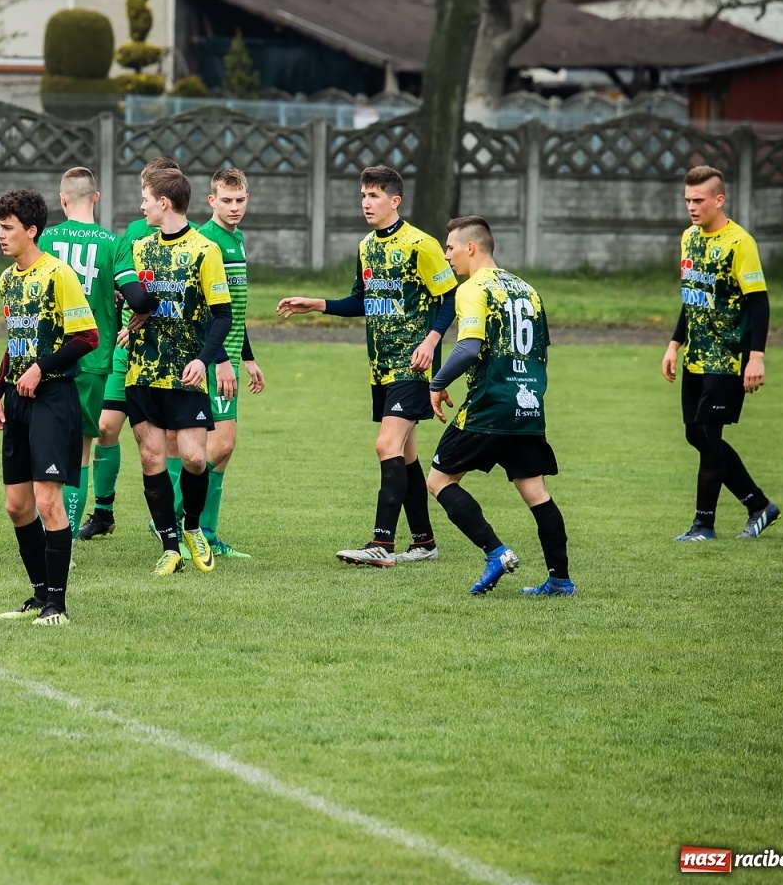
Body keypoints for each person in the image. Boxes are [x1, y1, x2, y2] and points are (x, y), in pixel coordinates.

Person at [276, 165, 456, 567]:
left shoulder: (420, 245)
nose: (366, 203)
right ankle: (424, 542)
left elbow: (449, 298)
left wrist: (431, 341)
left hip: (413, 365)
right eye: (362, 195)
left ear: (395, 201)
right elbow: (361, 300)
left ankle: (382, 544)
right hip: (381, 367)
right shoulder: (366, 247)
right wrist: (317, 304)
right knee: (405, 455)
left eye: (374, 196)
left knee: (385, 445)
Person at [426, 215, 572, 596]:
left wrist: (437, 383)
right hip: (528, 406)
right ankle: (560, 580)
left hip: (488, 405)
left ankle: (496, 552)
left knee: (439, 480)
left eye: (451, 248)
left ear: (471, 247)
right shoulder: (528, 290)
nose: (446, 256)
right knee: (536, 493)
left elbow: (468, 346)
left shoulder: (473, 288)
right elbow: (541, 350)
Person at [0, 190, 100, 625]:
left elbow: (86, 337)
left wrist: (40, 368)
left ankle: (58, 604)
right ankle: (38, 596)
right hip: (19, 399)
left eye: (7, 227)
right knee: (17, 506)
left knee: (48, 501)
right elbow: (15, 345)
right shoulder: (8, 279)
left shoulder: (59, 275)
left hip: (54, 398)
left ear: (31, 231)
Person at [116, 165, 235, 575]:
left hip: (186, 374)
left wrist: (203, 359)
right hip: (143, 372)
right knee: (151, 458)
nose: (141, 206)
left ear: (163, 202)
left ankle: (191, 528)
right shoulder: (140, 248)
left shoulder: (205, 250)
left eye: (146, 199)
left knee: (195, 459)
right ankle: (169, 546)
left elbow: (222, 316)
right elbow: (134, 300)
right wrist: (127, 323)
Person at [662, 165, 779, 541]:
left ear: (718, 199)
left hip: (728, 359)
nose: (692, 207)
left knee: (709, 437)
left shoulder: (739, 243)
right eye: (687, 200)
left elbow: (758, 304)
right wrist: (674, 343)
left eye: (698, 200)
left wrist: (756, 356)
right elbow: (693, 297)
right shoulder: (688, 238)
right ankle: (758, 504)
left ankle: (703, 525)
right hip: (696, 356)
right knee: (695, 436)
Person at [80, 156, 174, 542]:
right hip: (123, 345)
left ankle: (171, 517)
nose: (142, 202)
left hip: (163, 351)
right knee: (104, 427)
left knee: (168, 440)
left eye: (146, 193)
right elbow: (121, 284)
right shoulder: (131, 234)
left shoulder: (189, 236)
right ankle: (103, 512)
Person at [38, 167, 120, 535]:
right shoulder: (112, 243)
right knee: (81, 449)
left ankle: (50, 531)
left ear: (62, 199)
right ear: (96, 198)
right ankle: (65, 536)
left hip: (48, 356)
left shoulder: (45, 238)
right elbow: (125, 292)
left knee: (45, 447)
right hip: (92, 356)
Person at [195, 168, 265, 559]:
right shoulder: (207, 241)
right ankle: (178, 522)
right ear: (212, 201)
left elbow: (232, 311)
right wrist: (222, 360)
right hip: (209, 359)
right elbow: (206, 309)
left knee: (219, 448)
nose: (234, 207)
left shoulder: (236, 239)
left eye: (240, 200)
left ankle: (204, 530)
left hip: (227, 357)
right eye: (226, 201)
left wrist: (248, 358)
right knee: (219, 444)